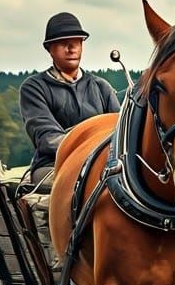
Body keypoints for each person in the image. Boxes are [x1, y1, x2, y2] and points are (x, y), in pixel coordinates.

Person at [19, 11, 120, 187]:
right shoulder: (34, 88)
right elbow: (47, 138)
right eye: (62, 43)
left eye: (76, 41)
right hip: (52, 166)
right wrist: (90, 152)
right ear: (50, 48)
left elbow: (119, 130)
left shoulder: (101, 86)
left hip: (102, 163)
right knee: (84, 184)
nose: (71, 47)